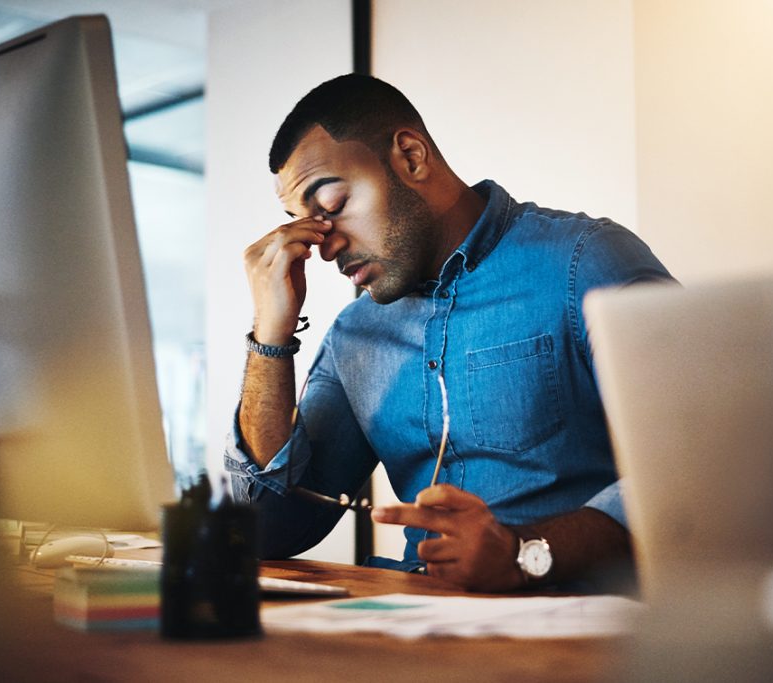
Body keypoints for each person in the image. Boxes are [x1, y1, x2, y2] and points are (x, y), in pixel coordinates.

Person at [224, 74, 674, 592]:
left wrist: (522, 552)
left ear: (411, 157)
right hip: (419, 630)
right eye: (304, 224)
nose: (324, 247)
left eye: (332, 206)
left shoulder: (586, 263)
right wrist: (270, 336)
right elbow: (267, 530)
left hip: (577, 635)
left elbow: (700, 466)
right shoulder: (357, 335)